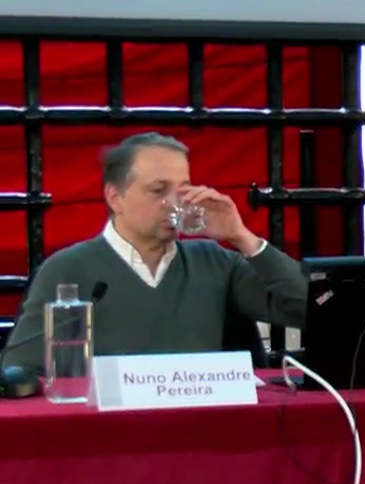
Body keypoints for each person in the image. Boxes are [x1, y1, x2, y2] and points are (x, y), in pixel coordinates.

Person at [2, 132, 307, 373]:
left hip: (205, 427)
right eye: (159, 190)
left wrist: (242, 237)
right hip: (109, 430)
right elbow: (19, 372)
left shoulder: (215, 262)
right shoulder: (69, 269)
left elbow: (306, 309)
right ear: (115, 197)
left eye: (182, 189)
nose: (175, 203)